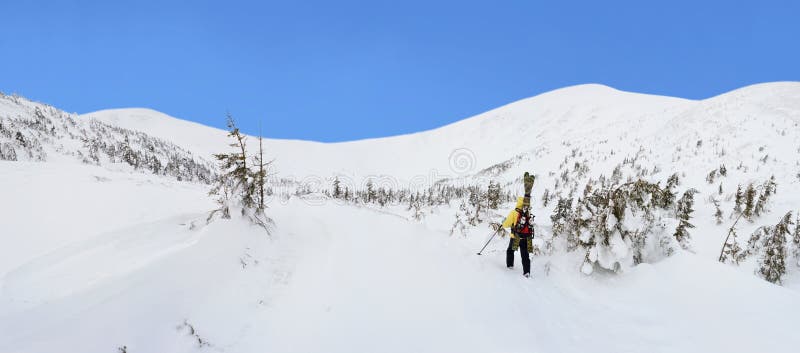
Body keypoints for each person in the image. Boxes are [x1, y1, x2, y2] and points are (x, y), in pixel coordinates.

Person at [492, 172, 535, 277]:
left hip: (516, 236)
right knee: (525, 255)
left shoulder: (514, 212)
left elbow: (506, 224)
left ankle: (510, 266)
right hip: (527, 237)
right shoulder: (528, 212)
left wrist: (503, 224)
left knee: (510, 251)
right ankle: (527, 272)